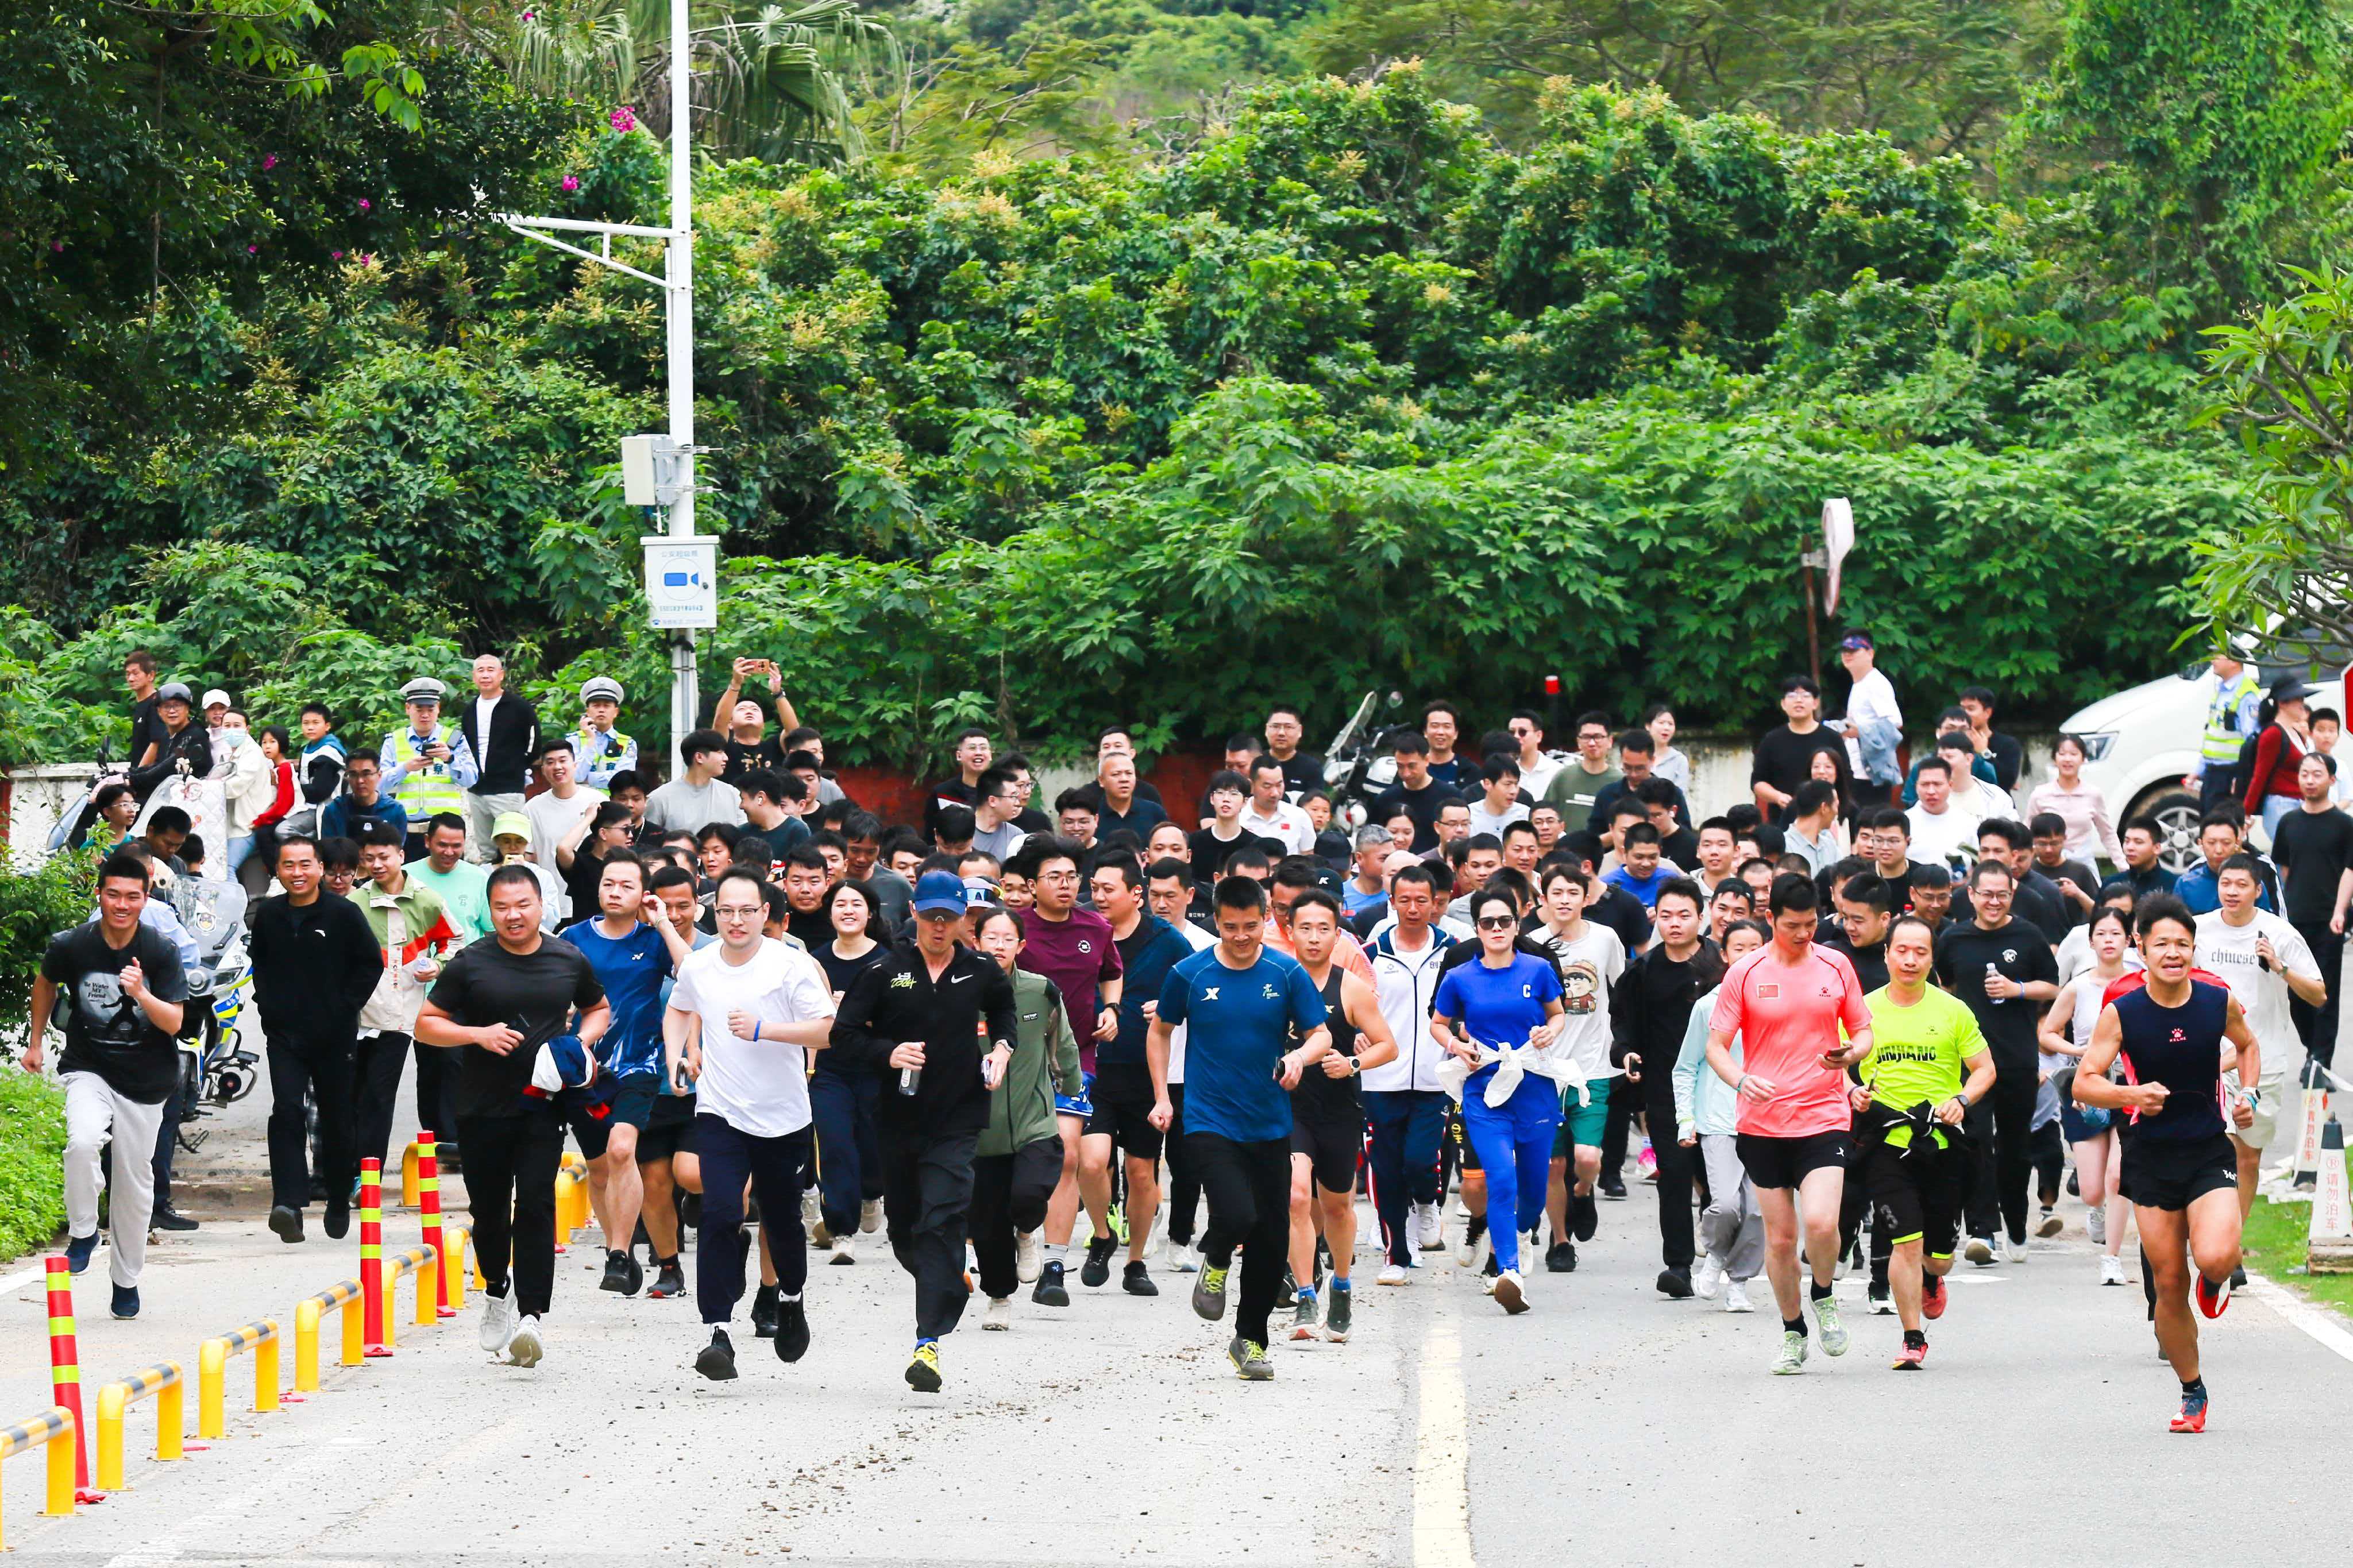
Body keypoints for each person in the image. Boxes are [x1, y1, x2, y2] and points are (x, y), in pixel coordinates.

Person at [2073, 895, 2261, 1433]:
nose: (2173, 953)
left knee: (2218, 1255)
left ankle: (2216, 1280)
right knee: (2169, 1282)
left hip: (2206, 1149)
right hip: (2150, 1157)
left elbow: (2248, 1046)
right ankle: (2192, 1391)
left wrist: (2248, 1093)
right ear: (2141, 947)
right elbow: (2086, 1081)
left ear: (2193, 948)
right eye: (2162, 944)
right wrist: (2130, 1095)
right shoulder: (2122, 1011)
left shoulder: (2215, 1000)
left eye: (2183, 943)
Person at [831, 871, 1017, 1391]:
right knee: (906, 1231)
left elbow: (1004, 1012)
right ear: (914, 912)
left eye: (949, 917)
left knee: (944, 1218)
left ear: (964, 919)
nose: (939, 926)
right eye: (931, 915)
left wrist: (1002, 1049)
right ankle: (947, 1282)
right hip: (897, 1119)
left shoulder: (980, 969)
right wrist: (887, 1052)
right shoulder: (885, 971)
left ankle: (926, 1345)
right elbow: (843, 1036)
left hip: (958, 1118)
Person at [1147, 875, 1331, 1378]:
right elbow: (1159, 1032)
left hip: (1270, 1121)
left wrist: (1299, 1058)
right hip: (1208, 1117)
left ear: (1266, 917)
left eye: (1251, 926)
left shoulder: (1286, 971)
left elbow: (1321, 1033)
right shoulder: (1189, 972)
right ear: (1217, 920)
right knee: (1236, 1211)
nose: (1242, 936)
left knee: (1272, 1239)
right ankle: (1216, 1256)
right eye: (1231, 927)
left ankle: (1249, 1341)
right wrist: (1163, 1096)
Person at [655, 867, 833, 1380]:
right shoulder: (701, 965)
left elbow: (826, 1032)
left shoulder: (789, 965)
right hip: (720, 1112)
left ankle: (791, 1298)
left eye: (747, 911)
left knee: (781, 1222)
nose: (736, 920)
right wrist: (675, 1059)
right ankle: (718, 1333)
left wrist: (766, 1030)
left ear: (765, 915)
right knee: (718, 1213)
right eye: (727, 910)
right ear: (717, 913)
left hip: (783, 1118)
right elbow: (678, 1010)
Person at [1705, 874, 1874, 1374]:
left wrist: (1850, 1055)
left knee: (1822, 1223)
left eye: (1811, 924)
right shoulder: (1746, 971)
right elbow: (1716, 1045)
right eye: (1793, 926)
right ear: (1772, 919)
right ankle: (1794, 1330)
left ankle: (1823, 1293)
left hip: (1823, 1113)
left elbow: (1863, 1030)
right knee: (1780, 1239)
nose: (1804, 934)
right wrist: (1740, 1080)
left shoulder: (1835, 964)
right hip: (1762, 1120)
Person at [25, 854, 190, 1317]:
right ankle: (83, 1232)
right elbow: (45, 983)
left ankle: (125, 1281)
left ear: (146, 898)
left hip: (147, 1081)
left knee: (134, 1187)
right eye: (113, 894)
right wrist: (36, 1043)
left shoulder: (160, 950)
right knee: (81, 1142)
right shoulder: (74, 944)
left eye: (132, 896)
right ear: (99, 895)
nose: (122, 904)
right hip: (88, 1066)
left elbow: (175, 1022)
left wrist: (140, 993)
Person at [1851, 913, 1997, 1369]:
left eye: (1920, 952)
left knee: (1937, 1259)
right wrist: (1852, 1092)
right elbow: (1835, 1068)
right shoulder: (1863, 1010)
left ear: (1931, 959)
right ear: (1887, 954)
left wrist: (1961, 1099)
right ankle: (1912, 1337)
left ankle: (1933, 1280)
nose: (1910, 960)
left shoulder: (1953, 1011)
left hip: (1943, 1142)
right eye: (1902, 950)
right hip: (1886, 1141)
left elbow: (1986, 1070)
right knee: (1905, 1244)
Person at [1429, 887, 1569, 1314]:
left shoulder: (1539, 968)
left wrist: (1550, 1031)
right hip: (1484, 1088)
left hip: (1534, 1086)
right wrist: (1456, 1046)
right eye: (1488, 923)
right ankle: (1508, 1271)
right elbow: (1439, 1024)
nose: (1496, 929)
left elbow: (1558, 1013)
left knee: (1532, 1187)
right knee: (1500, 1179)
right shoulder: (1460, 978)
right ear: (1477, 928)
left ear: (1516, 925)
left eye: (1504, 922)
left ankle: (1524, 1232)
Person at [561, 852, 692, 1295]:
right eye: (608, 884)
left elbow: (693, 975)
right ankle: (621, 1253)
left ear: (643, 894)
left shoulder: (653, 939)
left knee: (622, 1150)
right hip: (586, 1071)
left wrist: (664, 924)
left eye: (627, 886)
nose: (615, 892)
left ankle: (619, 1253)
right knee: (598, 1170)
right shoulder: (573, 937)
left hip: (641, 1064)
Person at [249, 835, 384, 1245]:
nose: (297, 873)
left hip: (335, 1035)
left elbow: (369, 964)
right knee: (287, 1110)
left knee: (336, 1116)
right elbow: (261, 964)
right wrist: (267, 1006)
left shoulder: (343, 914)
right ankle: (288, 1203)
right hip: (285, 1035)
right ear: (278, 870)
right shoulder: (269, 915)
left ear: (321, 869)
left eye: (305, 865)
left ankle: (340, 1197)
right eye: (289, 865)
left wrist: (344, 1008)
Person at [1280, 890, 1398, 1342]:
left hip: (1338, 1110)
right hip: (1288, 1107)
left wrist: (1352, 1064)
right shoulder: (1275, 982)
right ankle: (1306, 1295)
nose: (1313, 938)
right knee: (1294, 1197)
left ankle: (1342, 1286)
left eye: (1323, 929)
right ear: (1290, 932)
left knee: (1338, 1207)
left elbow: (1387, 1045)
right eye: (1305, 928)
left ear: (1337, 933)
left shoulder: (1350, 987)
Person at [1012, 839, 1123, 1301]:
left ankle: (1053, 1266)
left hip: (1075, 1058)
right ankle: (1099, 1232)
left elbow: (1111, 972)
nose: (1065, 884)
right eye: (1054, 877)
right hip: (1019, 1061)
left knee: (1070, 1155)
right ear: (1032, 886)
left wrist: (1113, 1009)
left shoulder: (1095, 927)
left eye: (1071, 876)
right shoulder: (1016, 928)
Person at [1934, 859, 2059, 1264]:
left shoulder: (2027, 934)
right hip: (1970, 1061)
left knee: (2015, 1148)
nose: (1993, 901)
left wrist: (2016, 988)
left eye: (2001, 895)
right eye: (1986, 894)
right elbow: (1945, 987)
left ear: (2012, 895)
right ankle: (1982, 1231)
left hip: (2017, 1058)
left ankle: (2017, 1225)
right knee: (1975, 1143)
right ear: (1970, 894)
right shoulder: (1954, 938)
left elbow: (2053, 985)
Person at [970, 906, 1085, 1330]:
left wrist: (1071, 1083)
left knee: (1030, 1193)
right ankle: (999, 1299)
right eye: (990, 938)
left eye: (1007, 939)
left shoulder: (1040, 991)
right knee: (985, 1228)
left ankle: (1027, 1233)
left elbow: (1063, 1039)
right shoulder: (960, 992)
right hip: (981, 1131)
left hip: (1035, 1119)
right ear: (976, 942)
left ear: (1021, 946)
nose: (998, 946)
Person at [1084, 858, 1193, 1295]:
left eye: (1109, 889)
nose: (1099, 896)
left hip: (1146, 1076)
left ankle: (1135, 1263)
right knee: (1091, 1162)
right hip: (1092, 1070)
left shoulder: (1168, 941)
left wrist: (1170, 1008)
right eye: (1094, 887)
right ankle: (1103, 1233)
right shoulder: (1086, 933)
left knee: (1142, 1172)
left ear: (1136, 894)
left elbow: (1201, 986)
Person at [2194, 854, 2319, 1222]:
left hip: (2262, 1062)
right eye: (2225, 883)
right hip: (2207, 1061)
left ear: (2258, 890)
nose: (2231, 892)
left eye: (2241, 885)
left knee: (2248, 1158)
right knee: (2219, 1150)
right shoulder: (2198, 930)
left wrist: (2280, 967)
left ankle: (2232, 1239)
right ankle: (2215, 1234)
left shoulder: (2279, 933)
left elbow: (2318, 994)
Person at [1363, 862, 1457, 1284]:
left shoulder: (1454, 950)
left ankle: (1427, 1202)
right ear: (1392, 902)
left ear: (1436, 902)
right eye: (1405, 900)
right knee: (1386, 1167)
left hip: (1437, 1078)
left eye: (1423, 900)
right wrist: (1356, 1041)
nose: (1414, 908)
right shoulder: (1372, 953)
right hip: (1382, 1078)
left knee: (1420, 1161)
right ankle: (1397, 1254)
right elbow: (1354, 1007)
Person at [348, 822, 461, 1172]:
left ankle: (369, 1174)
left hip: (402, 1015)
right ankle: (350, 1171)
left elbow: (454, 941)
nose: (377, 865)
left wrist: (438, 966)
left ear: (401, 856)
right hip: (359, 1014)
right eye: (369, 859)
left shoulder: (427, 899)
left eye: (384, 857)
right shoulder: (356, 903)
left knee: (380, 1096)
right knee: (356, 1094)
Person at [2038, 906, 2142, 1285]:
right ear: (2091, 940)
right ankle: (2096, 1211)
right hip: (2085, 1087)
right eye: (2102, 934)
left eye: (2117, 933)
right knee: (2094, 1187)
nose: (2110, 940)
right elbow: (2048, 1032)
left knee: (2119, 1176)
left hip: (2129, 1086)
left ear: (2129, 940)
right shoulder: (2079, 987)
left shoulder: (2142, 983)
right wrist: (2080, 1054)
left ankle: (2111, 1259)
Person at [1672, 918, 1765, 1314]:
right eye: (1738, 948)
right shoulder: (1708, 1006)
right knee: (1727, 1204)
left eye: (1755, 947)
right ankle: (1714, 1254)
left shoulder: (1778, 1003)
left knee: (1759, 1211)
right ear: (1724, 955)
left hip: (1768, 1123)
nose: (1747, 955)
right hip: (1718, 1121)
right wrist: (1685, 1118)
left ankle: (1740, 1283)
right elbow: (1686, 1067)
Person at [807, 881, 891, 1261]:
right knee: (836, 1144)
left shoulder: (891, 961)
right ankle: (842, 1230)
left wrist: (857, 1013)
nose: (848, 910)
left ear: (870, 913)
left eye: (857, 903)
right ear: (830, 913)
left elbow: (902, 1018)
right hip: (830, 1069)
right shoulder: (815, 960)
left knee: (874, 1147)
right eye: (840, 904)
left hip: (877, 1068)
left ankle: (873, 1193)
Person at [2270, 752, 2353, 1067]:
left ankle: (2321, 1060)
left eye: (2317, 774)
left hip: (2329, 919)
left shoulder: (2344, 825)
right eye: (2304, 774)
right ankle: (2311, 1047)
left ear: (2332, 780)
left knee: (2326, 991)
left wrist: (2340, 910)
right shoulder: (2289, 822)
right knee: (2296, 992)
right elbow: (2285, 869)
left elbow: (2350, 870)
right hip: (2295, 920)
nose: (2309, 780)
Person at [380, 677, 477, 860]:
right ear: (408, 709)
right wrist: (406, 768)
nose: (425, 715)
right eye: (419, 709)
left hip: (446, 831)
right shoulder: (394, 741)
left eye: (430, 709)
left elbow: (472, 779)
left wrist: (450, 759)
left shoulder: (455, 739)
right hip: (407, 829)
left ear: (438, 709)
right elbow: (379, 786)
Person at [456, 654, 540, 862]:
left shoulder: (519, 707)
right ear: (474, 677)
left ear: (501, 675)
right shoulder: (470, 710)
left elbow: (534, 744)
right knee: (486, 851)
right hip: (477, 790)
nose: (486, 675)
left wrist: (514, 768)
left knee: (512, 846)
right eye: (481, 670)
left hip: (507, 790)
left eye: (491, 670)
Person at [521, 740, 605, 922]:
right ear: (543, 769)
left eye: (563, 760)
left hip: (595, 901)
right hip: (552, 904)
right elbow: (528, 856)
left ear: (575, 765)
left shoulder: (597, 801)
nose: (557, 767)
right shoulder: (533, 808)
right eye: (550, 762)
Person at [1752, 677, 1853, 818]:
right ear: (1783, 704)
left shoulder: (1832, 738)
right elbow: (1758, 782)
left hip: (1825, 818)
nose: (1799, 700)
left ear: (1815, 703)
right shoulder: (1771, 740)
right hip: (1783, 818)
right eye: (1792, 696)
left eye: (1805, 696)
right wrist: (1778, 797)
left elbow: (1846, 776)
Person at [2027, 733, 2124, 870]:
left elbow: (2107, 833)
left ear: (2083, 758)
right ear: (2055, 759)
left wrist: (2122, 865)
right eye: (2062, 754)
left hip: (2083, 864)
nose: (2068, 759)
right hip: (2048, 865)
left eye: (2074, 754)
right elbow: (2027, 831)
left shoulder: (2093, 794)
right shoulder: (2040, 794)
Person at [2186, 652, 2265, 813]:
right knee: (2209, 826)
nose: (2212, 660)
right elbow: (2214, 735)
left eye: (2218, 656)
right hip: (2213, 773)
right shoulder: (2222, 690)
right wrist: (2198, 771)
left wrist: (2243, 777)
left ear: (2234, 662)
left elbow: (2252, 740)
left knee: (2224, 828)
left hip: (2231, 776)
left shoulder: (2246, 694)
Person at [2244, 674, 2319, 841]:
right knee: (2288, 862)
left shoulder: (2295, 733)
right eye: (2298, 699)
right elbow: (2260, 776)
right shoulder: (2273, 734)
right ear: (2283, 703)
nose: (2302, 704)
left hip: (2301, 804)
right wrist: (2246, 813)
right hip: (2281, 806)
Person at [1833, 632, 1904, 797]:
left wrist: (1859, 730)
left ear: (1870, 653)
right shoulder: (1860, 684)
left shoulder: (1876, 683)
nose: (1847, 655)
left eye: (1854, 650)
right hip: (1858, 771)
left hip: (1872, 774)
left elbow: (1895, 722)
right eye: (1844, 651)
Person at [643, 728, 745, 835]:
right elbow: (650, 844)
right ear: (699, 757)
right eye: (720, 752)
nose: (726, 758)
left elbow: (743, 836)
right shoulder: (660, 799)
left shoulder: (732, 794)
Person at [129, 682, 214, 804]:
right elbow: (158, 765)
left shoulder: (195, 735)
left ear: (187, 709)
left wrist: (132, 779)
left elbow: (167, 768)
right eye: (166, 707)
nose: (172, 711)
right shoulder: (167, 736)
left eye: (177, 706)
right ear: (159, 711)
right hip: (171, 795)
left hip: (193, 800)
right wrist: (128, 773)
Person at [1542, 713, 1619, 835]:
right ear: (1578, 742)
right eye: (1586, 737)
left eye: (1598, 737)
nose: (1592, 743)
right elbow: (1545, 814)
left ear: (1610, 741)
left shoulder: (1620, 781)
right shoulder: (1563, 777)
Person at [1904, 758, 1980, 867]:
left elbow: (1978, 862)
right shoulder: (1904, 822)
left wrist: (1967, 877)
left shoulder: (1968, 823)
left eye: (1937, 784)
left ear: (1950, 785)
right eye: (1925, 784)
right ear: (1916, 787)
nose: (1931, 791)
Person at [570, 677, 638, 791]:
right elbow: (576, 776)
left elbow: (624, 782)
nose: (601, 710)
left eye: (607, 706)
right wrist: (590, 740)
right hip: (581, 805)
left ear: (616, 712)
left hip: (614, 805)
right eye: (596, 706)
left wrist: (587, 779)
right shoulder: (574, 740)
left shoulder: (628, 744)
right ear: (587, 711)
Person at [1955, 686, 2024, 795]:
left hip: (1997, 807)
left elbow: (2007, 781)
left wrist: (1984, 752)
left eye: (1971, 709)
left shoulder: (2008, 744)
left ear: (1987, 712)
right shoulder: (1953, 743)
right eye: (1962, 709)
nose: (1965, 714)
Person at [2103, 818, 2179, 903]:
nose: (2130, 848)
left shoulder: (2173, 885)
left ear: (2157, 848)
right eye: (2127, 841)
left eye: (2138, 842)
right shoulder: (2112, 883)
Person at [1644, 704, 1693, 795]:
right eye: (1661, 723)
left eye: (1671, 724)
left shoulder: (1679, 760)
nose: (1666, 728)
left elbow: (1680, 796)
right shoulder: (1638, 755)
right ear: (1648, 726)